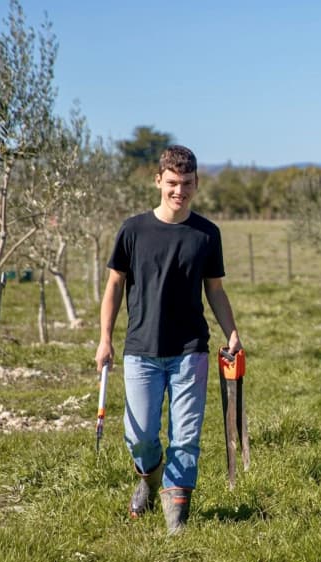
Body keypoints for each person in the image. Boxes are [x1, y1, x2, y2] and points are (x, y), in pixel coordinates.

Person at [95, 145, 242, 534]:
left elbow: (215, 290)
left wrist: (233, 332)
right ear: (158, 180)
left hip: (190, 350)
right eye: (173, 183)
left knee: (186, 435)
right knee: (139, 435)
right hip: (141, 350)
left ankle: (176, 519)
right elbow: (114, 286)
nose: (180, 191)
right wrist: (105, 339)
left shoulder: (207, 234)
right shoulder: (133, 230)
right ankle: (149, 477)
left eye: (188, 184)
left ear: (197, 183)